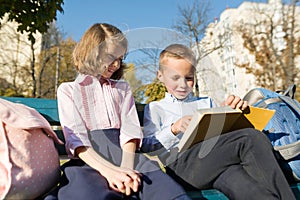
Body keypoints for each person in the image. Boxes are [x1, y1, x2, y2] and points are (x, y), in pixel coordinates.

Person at [45, 23, 190, 200]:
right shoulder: (68, 90)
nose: (116, 64)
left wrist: (126, 170)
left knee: (163, 189)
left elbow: (130, 131)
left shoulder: (122, 88)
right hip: (89, 161)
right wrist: (111, 173)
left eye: (120, 58)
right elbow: (77, 139)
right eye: (110, 57)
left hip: (126, 156)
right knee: (87, 193)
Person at [141, 44, 296, 200]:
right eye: (175, 78)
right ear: (160, 75)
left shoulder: (206, 102)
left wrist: (232, 111)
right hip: (182, 168)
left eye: (188, 78)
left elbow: (225, 136)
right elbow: (147, 145)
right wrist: (173, 129)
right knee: (250, 138)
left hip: (215, 162)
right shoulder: (156, 108)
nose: (182, 84)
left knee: (239, 182)